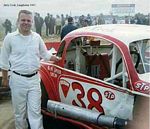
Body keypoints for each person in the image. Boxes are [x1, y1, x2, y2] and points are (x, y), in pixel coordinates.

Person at [1, 10, 60, 129]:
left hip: (34, 80)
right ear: (18, 21)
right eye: (23, 20)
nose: (26, 23)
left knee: (35, 112)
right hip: (17, 80)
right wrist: (5, 78)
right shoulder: (10, 38)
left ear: (32, 22)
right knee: (20, 113)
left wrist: (57, 58)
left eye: (28, 20)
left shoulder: (37, 37)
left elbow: (45, 54)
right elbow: (4, 60)